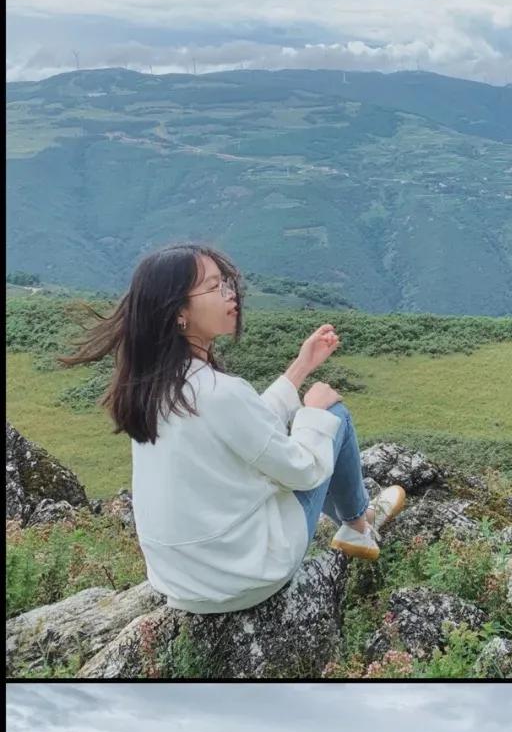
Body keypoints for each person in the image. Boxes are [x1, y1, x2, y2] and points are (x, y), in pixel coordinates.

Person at [58, 243, 406, 614]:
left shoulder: (153, 388)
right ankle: (359, 525)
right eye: (213, 287)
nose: (230, 294)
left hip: (182, 582)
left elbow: (247, 427)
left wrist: (300, 367)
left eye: (226, 284)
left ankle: (357, 521)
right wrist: (313, 414)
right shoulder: (218, 392)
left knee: (315, 418)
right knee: (334, 414)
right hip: (246, 575)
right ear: (178, 312)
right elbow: (304, 471)